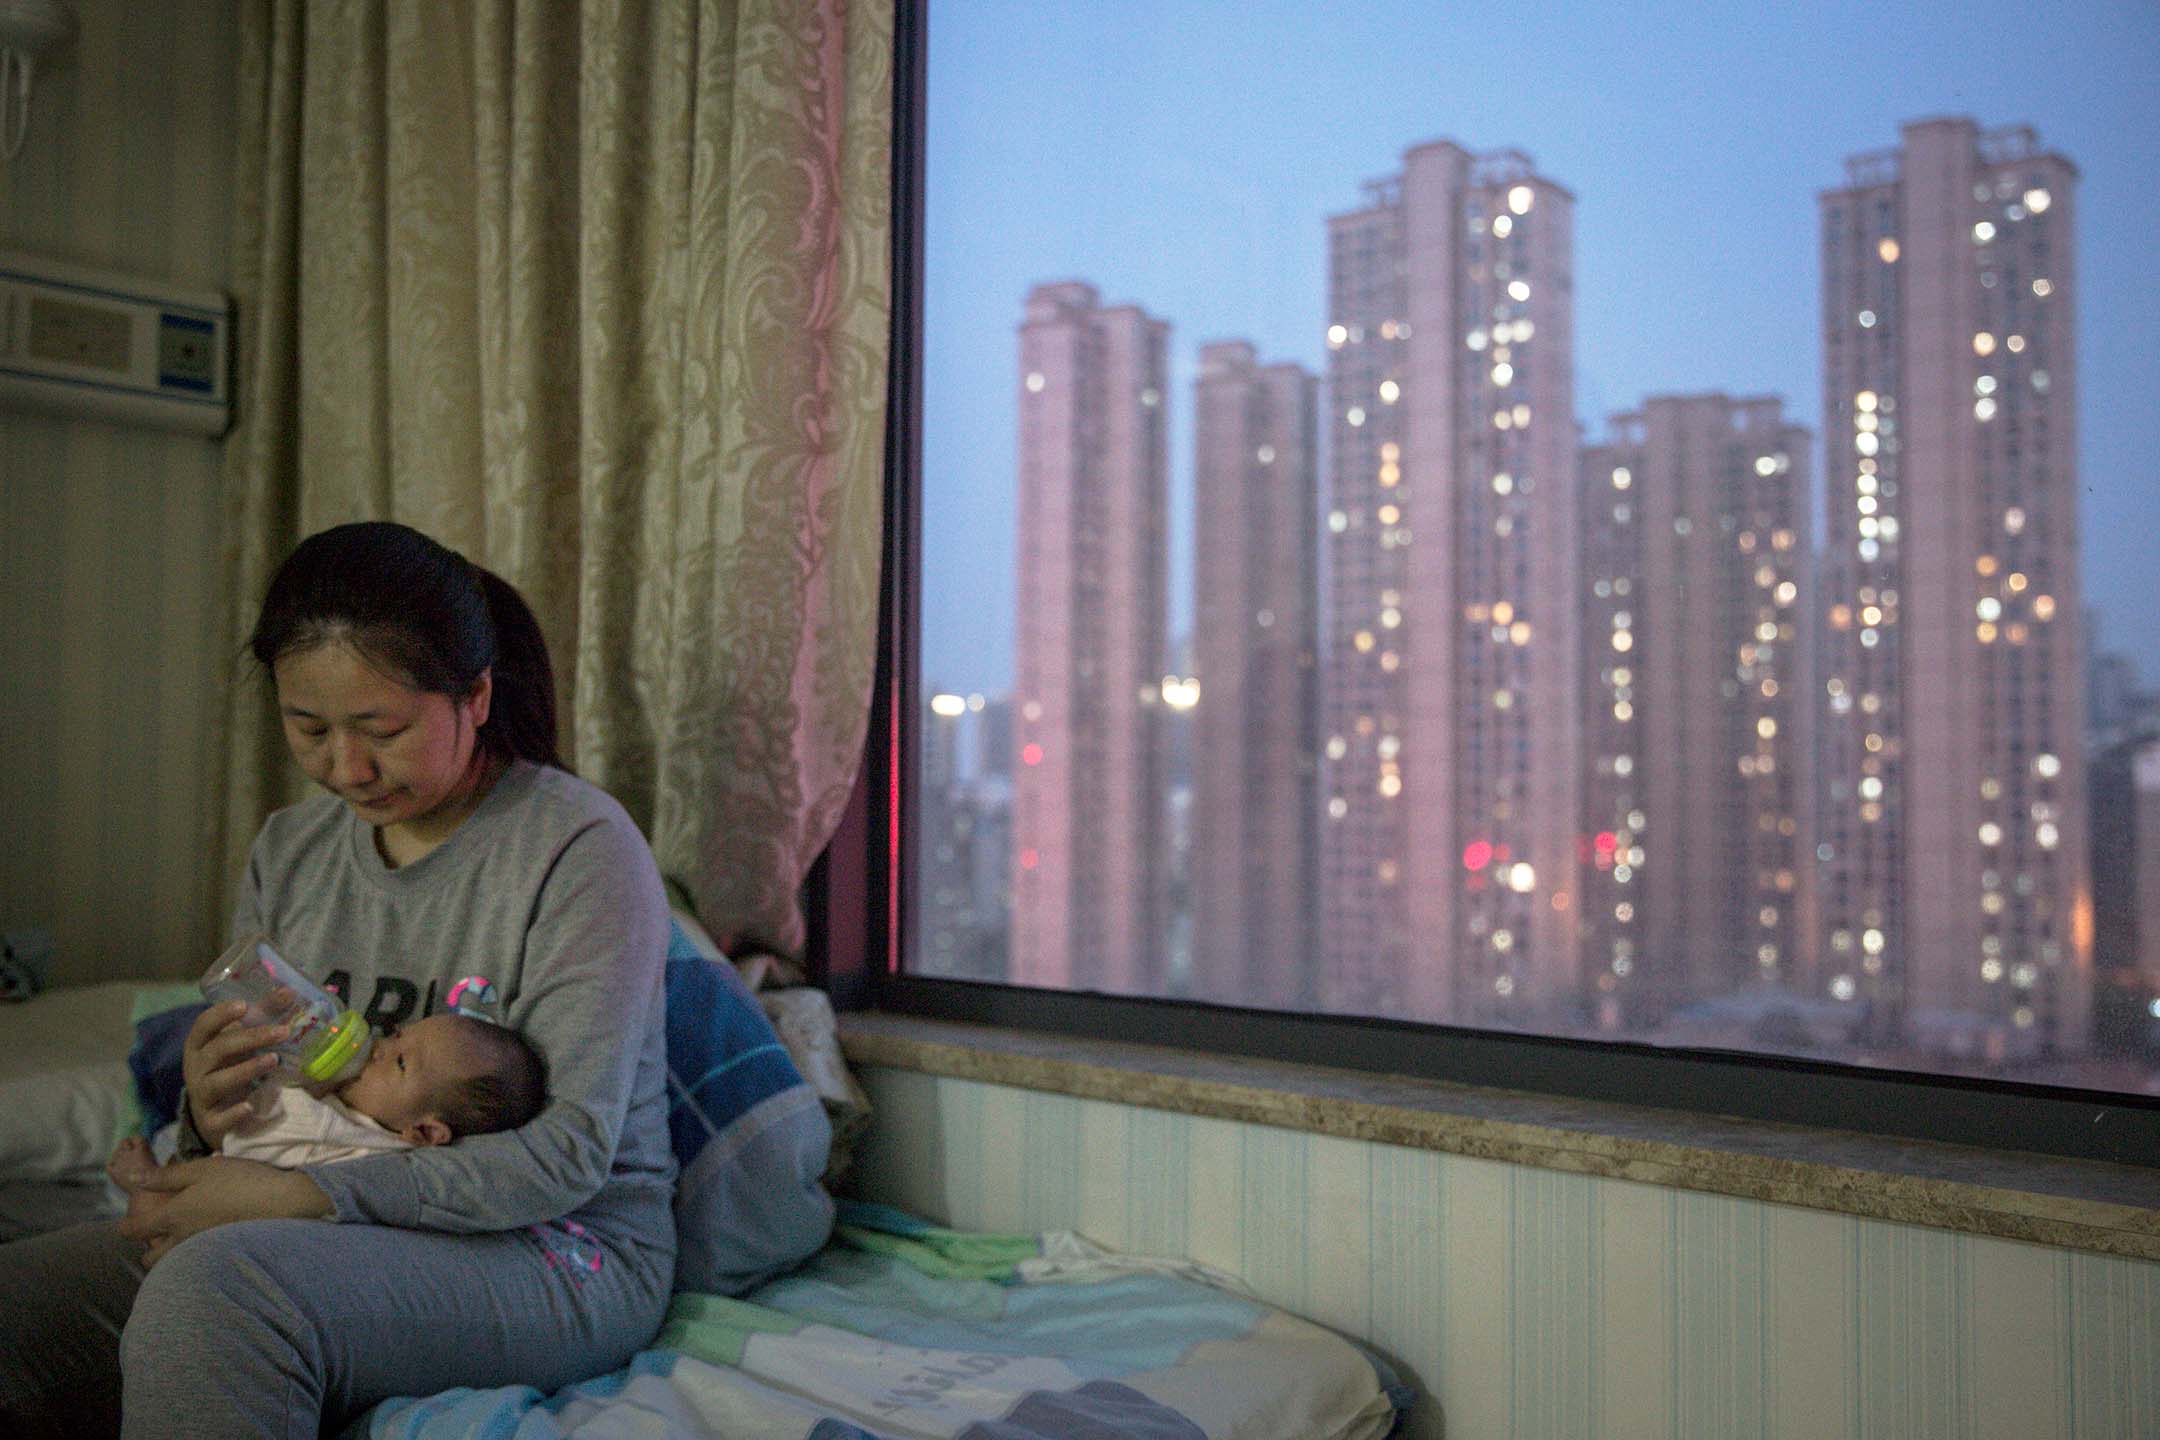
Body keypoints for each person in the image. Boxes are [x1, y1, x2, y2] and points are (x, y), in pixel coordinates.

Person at [0, 521, 681, 1439]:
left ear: (476, 696)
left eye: (382, 730)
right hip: (317, 1211)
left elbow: (565, 1158)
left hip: (554, 1250)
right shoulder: (293, 851)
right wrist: (209, 1116)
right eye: (309, 729)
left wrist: (313, 1196)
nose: (346, 769)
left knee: (220, 1293)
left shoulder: (577, 851)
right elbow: (276, 1114)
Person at [108, 1013, 549, 1227]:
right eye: (396, 1035)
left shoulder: (375, 1153)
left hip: (247, 1208)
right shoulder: (351, 1097)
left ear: (425, 1131)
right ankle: (156, 1176)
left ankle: (145, 1184)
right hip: (228, 1153)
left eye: (399, 1063)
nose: (378, 1047)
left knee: (162, 1207)